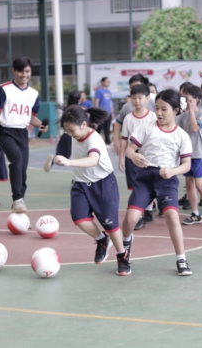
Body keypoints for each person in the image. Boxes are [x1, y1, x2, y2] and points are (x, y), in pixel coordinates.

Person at [122, 89, 193, 276]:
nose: (159, 113)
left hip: (167, 179)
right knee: (130, 219)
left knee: (172, 216)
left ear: (176, 110)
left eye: (164, 109)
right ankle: (125, 248)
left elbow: (186, 165)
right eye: (157, 109)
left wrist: (172, 171)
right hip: (144, 177)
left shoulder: (182, 136)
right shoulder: (146, 127)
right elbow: (129, 150)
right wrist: (134, 155)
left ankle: (181, 259)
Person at [54, 105, 131, 274]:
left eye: (71, 129)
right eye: (66, 130)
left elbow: (93, 160)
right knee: (79, 218)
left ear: (83, 124)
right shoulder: (75, 134)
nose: (69, 133)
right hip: (81, 183)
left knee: (111, 225)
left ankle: (122, 256)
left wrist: (69, 162)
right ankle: (102, 240)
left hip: (102, 183)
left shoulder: (93, 139)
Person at [0, 57, 48, 213]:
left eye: (27, 71)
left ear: (30, 72)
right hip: (6, 132)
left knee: (22, 171)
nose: (23, 74)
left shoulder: (34, 94)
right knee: (17, 160)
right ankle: (17, 199)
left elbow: (31, 118)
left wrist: (40, 125)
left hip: (22, 134)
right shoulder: (4, 89)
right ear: (14, 71)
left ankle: (19, 207)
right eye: (20, 71)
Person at [178, 85, 202, 226]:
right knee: (189, 184)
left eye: (187, 98)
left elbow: (194, 128)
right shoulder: (182, 116)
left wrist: (191, 111)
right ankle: (195, 214)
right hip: (187, 155)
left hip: (200, 154)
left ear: (195, 100)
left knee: (200, 184)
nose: (184, 100)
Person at [120, 84, 157, 230]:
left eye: (140, 98)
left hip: (148, 157)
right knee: (135, 186)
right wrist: (121, 157)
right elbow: (124, 139)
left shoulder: (153, 116)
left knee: (148, 184)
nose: (136, 101)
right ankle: (139, 216)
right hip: (132, 157)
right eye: (133, 98)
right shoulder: (128, 118)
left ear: (147, 98)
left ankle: (148, 210)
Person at [44, 90, 83, 172]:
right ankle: (78, 179)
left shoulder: (67, 109)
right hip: (75, 137)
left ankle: (53, 160)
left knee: (62, 157)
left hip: (65, 135)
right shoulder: (80, 110)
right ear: (79, 100)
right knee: (81, 159)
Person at [94, 77, 114, 145]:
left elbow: (110, 102)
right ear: (103, 82)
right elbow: (97, 101)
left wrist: (112, 112)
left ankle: (107, 142)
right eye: (107, 81)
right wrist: (97, 112)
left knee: (107, 128)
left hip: (108, 113)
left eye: (109, 81)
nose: (108, 83)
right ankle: (95, 141)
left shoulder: (109, 92)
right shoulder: (99, 91)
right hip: (101, 113)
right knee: (99, 128)